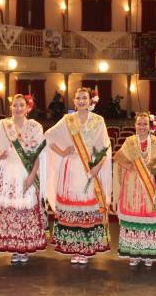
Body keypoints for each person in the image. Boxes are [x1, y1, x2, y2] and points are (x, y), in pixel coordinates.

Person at [46, 87, 111, 265]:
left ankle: (86, 248)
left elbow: (104, 148)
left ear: (90, 100)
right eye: (78, 98)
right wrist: (62, 151)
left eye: (84, 98)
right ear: (74, 101)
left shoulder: (98, 120)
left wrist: (97, 168)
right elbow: (49, 137)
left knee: (87, 208)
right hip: (71, 168)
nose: (81, 101)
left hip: (89, 168)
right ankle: (74, 248)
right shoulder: (68, 119)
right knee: (72, 208)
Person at [0, 94, 48, 263]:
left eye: (21, 105)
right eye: (15, 105)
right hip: (8, 173)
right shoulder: (3, 125)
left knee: (25, 210)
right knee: (11, 210)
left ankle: (24, 247)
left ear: (27, 108)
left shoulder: (35, 127)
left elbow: (38, 154)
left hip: (26, 172)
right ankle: (14, 247)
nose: (18, 108)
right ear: (10, 107)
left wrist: (32, 176)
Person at [112, 112, 156, 267]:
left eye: (145, 124)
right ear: (134, 125)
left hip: (149, 186)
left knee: (149, 217)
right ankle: (133, 253)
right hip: (131, 187)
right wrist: (129, 165)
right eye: (139, 124)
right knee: (132, 218)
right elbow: (118, 159)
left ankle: (148, 253)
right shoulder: (129, 141)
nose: (142, 127)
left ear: (150, 126)